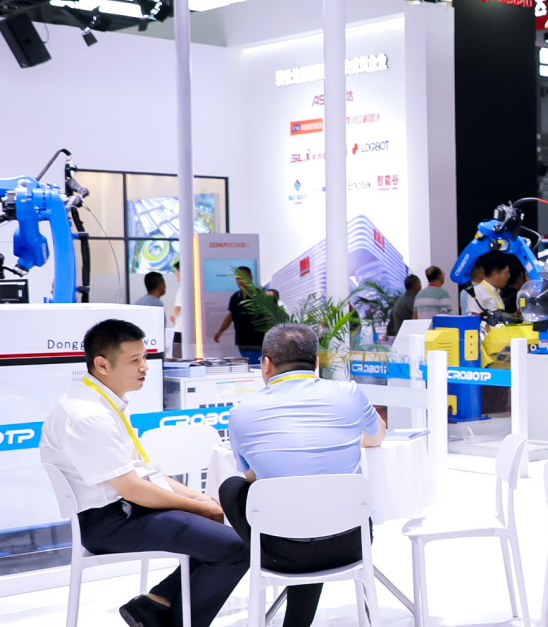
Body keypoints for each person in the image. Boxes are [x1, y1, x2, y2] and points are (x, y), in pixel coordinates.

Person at [40, 319, 245, 627]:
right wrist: (198, 506)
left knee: (218, 534)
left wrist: (196, 498)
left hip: (125, 509)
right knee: (236, 548)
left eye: (145, 357)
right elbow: (133, 488)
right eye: (134, 360)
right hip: (110, 522)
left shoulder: (104, 402)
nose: (144, 367)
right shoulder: (89, 416)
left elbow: (142, 472)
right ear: (102, 364)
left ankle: (155, 603)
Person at [218, 324, 385, 627]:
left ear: (266, 364)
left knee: (232, 487)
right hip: (353, 543)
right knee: (317, 509)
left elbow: (253, 477)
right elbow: (376, 436)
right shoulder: (349, 393)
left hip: (284, 552)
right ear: (316, 362)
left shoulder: (241, 413)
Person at [211, 266, 266, 360]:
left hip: (257, 343)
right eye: (237, 278)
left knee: (256, 365)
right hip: (241, 342)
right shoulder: (235, 297)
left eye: (243, 277)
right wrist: (220, 331)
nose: (240, 281)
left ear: (250, 277)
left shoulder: (260, 295)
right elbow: (230, 316)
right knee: (248, 365)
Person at [467, 251, 514, 315]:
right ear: (495, 274)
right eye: (506, 273)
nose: (509, 276)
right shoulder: (477, 291)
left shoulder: (497, 292)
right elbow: (474, 316)